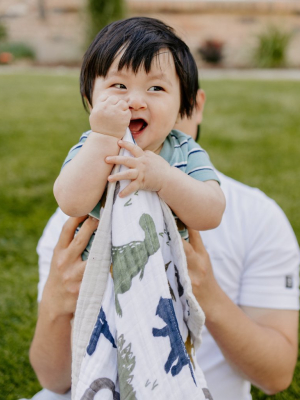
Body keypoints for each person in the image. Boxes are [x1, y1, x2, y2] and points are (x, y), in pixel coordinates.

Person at [53, 17, 225, 251]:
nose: (135, 101)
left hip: (165, 279)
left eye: (156, 88)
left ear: (181, 107)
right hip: (101, 279)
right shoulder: (91, 146)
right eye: (119, 86)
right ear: (91, 102)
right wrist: (104, 137)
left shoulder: (185, 151)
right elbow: (70, 203)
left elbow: (212, 213)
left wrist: (165, 179)